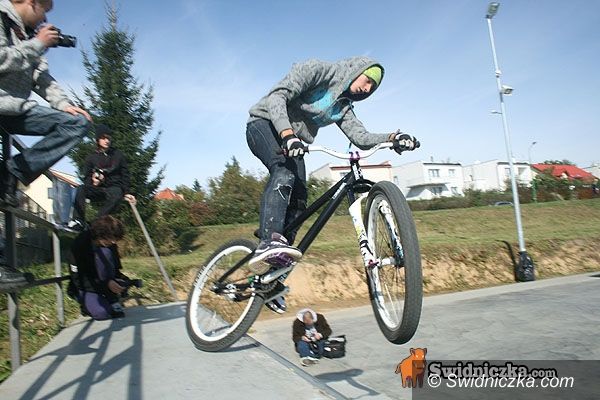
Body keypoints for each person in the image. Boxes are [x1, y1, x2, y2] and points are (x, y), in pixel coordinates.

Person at [246, 56, 420, 313]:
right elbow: (277, 96)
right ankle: (268, 241)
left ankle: (272, 277)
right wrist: (288, 134)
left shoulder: (343, 107)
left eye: (372, 88)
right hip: (265, 124)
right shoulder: (319, 71)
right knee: (283, 173)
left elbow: (361, 137)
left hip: (294, 143)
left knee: (300, 202)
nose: (367, 89)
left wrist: (393, 137)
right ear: (357, 70)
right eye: (367, 80)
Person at [0, 0, 92, 292]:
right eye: (44, 11)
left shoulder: (28, 34)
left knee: (77, 123)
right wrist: (38, 44)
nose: (45, 19)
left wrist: (64, 105)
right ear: (31, 3)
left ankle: (12, 172)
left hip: (16, 109)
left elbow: (42, 78)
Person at [69, 215, 139, 320]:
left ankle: (111, 297)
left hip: (105, 282)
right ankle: (83, 302)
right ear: (101, 233)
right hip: (85, 285)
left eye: (115, 239)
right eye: (111, 238)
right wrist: (106, 285)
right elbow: (78, 278)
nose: (113, 242)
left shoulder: (110, 245)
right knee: (102, 313)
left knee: (106, 253)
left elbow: (116, 270)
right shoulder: (79, 244)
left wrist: (122, 281)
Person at [69, 124, 135, 230]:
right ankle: (78, 220)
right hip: (98, 188)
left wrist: (127, 192)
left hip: (114, 187)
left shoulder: (118, 155)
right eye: (104, 138)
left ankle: (95, 222)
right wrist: (93, 181)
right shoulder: (91, 158)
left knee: (117, 193)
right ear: (98, 140)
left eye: (108, 138)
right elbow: (87, 178)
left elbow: (125, 174)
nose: (107, 141)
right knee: (81, 189)